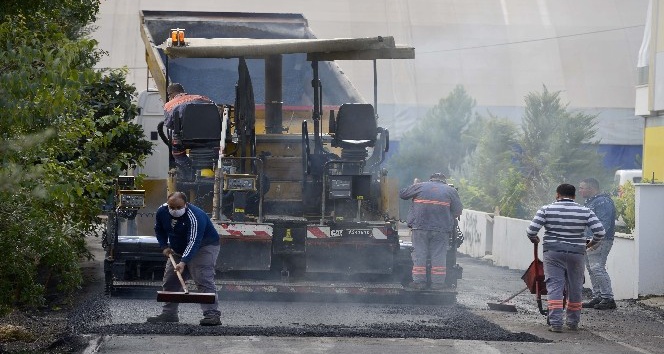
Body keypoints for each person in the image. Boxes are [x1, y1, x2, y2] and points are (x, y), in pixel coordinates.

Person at [526, 183, 605, 333]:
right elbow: (600, 232)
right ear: (574, 196)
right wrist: (590, 245)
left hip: (553, 253)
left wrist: (534, 239)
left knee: (555, 286)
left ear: (557, 195)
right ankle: (573, 322)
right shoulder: (585, 211)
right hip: (576, 253)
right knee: (575, 286)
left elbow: (531, 230)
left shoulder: (546, 209)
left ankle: (556, 323)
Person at [147, 191, 222, 326]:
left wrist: (183, 262)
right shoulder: (162, 211)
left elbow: (194, 241)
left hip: (203, 247)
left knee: (202, 277)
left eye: (178, 208)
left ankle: (212, 314)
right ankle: (169, 314)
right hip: (178, 248)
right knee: (171, 279)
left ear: (186, 205)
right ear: (167, 205)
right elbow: (159, 229)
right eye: (172, 207)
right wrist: (164, 246)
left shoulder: (195, 216)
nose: (175, 210)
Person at [399, 173, 463, 290]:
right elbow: (458, 211)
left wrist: (415, 186)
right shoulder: (450, 191)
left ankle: (419, 282)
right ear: (444, 181)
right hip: (441, 229)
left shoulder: (420, 186)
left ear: (431, 179)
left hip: (420, 227)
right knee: (438, 255)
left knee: (419, 253)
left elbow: (402, 194)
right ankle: (437, 284)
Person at [579, 178, 617, 310]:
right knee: (591, 268)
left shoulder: (603, 201)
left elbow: (603, 223)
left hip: (600, 240)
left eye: (582, 188)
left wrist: (596, 239)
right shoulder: (592, 202)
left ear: (591, 188)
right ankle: (599, 296)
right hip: (589, 239)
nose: (580, 190)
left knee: (597, 267)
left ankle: (608, 298)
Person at [163, 83, 216, 178]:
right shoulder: (203, 99)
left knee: (177, 154)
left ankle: (188, 172)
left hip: (186, 140)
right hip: (210, 138)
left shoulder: (169, 105)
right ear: (183, 91)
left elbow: (169, 124)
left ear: (171, 95)